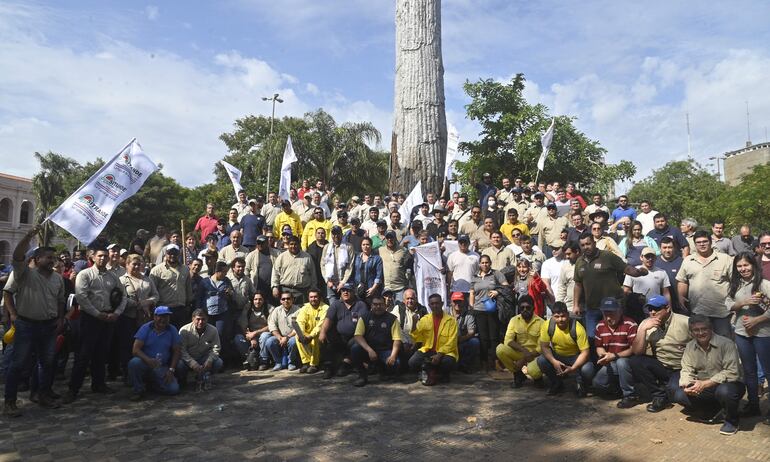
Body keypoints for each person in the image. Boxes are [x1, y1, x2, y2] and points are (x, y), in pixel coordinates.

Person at [2, 226, 65, 416]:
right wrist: (28, 236)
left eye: (53, 258)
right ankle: (10, 402)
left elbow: (60, 300)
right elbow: (18, 255)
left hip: (48, 327)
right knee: (18, 364)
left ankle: (42, 395)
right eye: (48, 258)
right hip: (26, 325)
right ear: (37, 260)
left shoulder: (58, 279)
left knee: (47, 362)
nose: (52, 261)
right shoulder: (24, 273)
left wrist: (60, 318)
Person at [63, 245, 127, 404]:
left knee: (102, 352)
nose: (103, 258)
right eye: (100, 256)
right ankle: (73, 389)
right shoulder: (85, 275)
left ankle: (99, 384)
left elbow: (123, 295)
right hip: (90, 319)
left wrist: (117, 313)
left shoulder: (112, 276)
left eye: (105, 256)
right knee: (83, 355)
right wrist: (97, 314)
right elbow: (82, 297)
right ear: (92, 257)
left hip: (109, 318)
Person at [673, 315, 745, 435]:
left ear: (711, 329)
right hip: (705, 386)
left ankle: (732, 420)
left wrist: (705, 384)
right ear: (691, 332)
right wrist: (686, 385)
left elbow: (732, 372)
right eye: (696, 330)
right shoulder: (690, 346)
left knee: (725, 392)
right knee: (679, 394)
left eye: (704, 329)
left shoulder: (726, 344)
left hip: (730, 384)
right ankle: (714, 410)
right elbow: (686, 369)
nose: (700, 333)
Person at [574, 232, 648, 343]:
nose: (586, 247)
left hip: (613, 306)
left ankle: (616, 359)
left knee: (615, 338)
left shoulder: (607, 256)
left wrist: (638, 272)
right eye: (583, 245)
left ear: (594, 243)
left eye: (588, 244)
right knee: (592, 338)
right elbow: (578, 284)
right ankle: (597, 359)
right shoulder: (579, 262)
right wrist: (576, 305)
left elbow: (626, 268)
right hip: (592, 308)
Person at [725, 252, 770, 421]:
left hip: (764, 333)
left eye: (746, 265)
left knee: (768, 371)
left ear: (753, 265)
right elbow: (728, 304)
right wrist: (742, 303)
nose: (743, 269)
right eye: (739, 266)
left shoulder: (764, 285)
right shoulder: (734, 285)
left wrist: (757, 319)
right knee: (749, 372)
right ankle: (753, 405)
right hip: (742, 333)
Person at [629, 295, 692, 412]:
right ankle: (659, 395)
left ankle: (670, 389)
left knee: (676, 394)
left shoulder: (685, 322)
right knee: (635, 361)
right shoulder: (646, 324)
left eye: (656, 309)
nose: (652, 312)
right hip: (661, 365)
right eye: (650, 309)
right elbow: (637, 351)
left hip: (681, 367)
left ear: (667, 308)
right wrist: (642, 330)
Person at [677, 230, 733, 337]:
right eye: (698, 242)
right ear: (694, 244)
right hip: (698, 312)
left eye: (705, 241)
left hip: (721, 313)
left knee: (724, 344)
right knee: (700, 343)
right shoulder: (688, 260)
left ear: (711, 242)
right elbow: (682, 281)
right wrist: (681, 297)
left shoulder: (725, 259)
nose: (702, 244)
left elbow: (735, 281)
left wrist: (734, 304)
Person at [117, 254, 159, 384]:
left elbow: (156, 295)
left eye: (138, 264)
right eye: (133, 264)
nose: (136, 266)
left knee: (145, 345)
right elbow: (120, 298)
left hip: (145, 319)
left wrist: (148, 302)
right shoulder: (121, 280)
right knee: (128, 346)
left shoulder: (147, 280)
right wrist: (137, 304)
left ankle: (145, 373)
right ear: (127, 265)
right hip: (128, 318)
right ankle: (128, 374)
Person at [536, 302, 593, 397]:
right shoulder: (547, 325)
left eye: (563, 316)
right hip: (558, 355)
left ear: (568, 314)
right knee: (541, 360)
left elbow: (585, 352)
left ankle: (582, 384)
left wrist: (573, 368)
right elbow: (544, 346)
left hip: (575, 356)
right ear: (553, 316)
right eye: (557, 317)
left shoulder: (577, 327)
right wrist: (554, 361)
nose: (560, 319)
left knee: (588, 369)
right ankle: (556, 383)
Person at [126, 306, 181, 400]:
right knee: (134, 363)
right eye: (161, 316)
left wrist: (171, 370)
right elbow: (135, 350)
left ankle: (151, 385)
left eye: (166, 317)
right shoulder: (146, 328)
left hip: (161, 366)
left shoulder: (172, 329)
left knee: (174, 390)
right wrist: (148, 360)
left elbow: (177, 351)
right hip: (145, 364)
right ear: (155, 317)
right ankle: (138, 390)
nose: (163, 319)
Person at [592, 297, 639, 408]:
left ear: (620, 311)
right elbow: (598, 346)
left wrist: (614, 356)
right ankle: (617, 389)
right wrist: (602, 355)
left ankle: (630, 395)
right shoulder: (600, 326)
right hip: (611, 361)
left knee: (621, 362)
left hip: (629, 361)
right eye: (605, 314)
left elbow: (634, 349)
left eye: (612, 313)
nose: (608, 317)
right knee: (598, 383)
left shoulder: (630, 324)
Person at [319, 283, 370, 378]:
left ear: (354, 292)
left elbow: (364, 323)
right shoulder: (336, 304)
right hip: (340, 337)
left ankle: (346, 364)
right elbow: (328, 320)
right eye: (343, 290)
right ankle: (328, 367)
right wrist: (322, 332)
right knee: (325, 337)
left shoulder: (361, 304)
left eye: (348, 290)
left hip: (356, 336)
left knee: (357, 342)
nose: (345, 292)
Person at [350, 296, 402, 386]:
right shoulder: (364, 317)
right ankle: (362, 376)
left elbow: (397, 340)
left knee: (396, 363)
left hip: (385, 350)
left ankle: (383, 371)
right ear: (371, 305)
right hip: (369, 350)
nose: (378, 307)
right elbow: (358, 336)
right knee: (355, 349)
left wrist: (393, 356)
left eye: (380, 304)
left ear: (385, 305)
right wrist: (369, 350)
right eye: (375, 304)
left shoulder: (392, 319)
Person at [408, 294, 459, 385]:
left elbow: (452, 342)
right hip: (428, 350)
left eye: (437, 303)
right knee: (412, 362)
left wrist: (439, 355)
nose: (435, 306)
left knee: (447, 362)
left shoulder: (451, 321)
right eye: (432, 304)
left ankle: (440, 374)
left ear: (442, 303)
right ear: (429, 305)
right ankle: (430, 372)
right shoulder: (425, 320)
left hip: (445, 352)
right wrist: (414, 323)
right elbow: (416, 337)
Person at [496, 295, 544, 388]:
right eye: (522, 308)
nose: (525, 310)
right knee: (500, 349)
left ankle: (538, 378)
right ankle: (518, 375)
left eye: (528, 307)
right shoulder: (514, 320)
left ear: (533, 308)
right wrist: (524, 351)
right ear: (519, 309)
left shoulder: (541, 322)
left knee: (533, 371)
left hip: (535, 355)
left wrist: (524, 359)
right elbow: (508, 341)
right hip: (520, 352)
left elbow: (541, 347)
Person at [469, 255, 506, 370]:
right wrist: (472, 307)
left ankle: (495, 361)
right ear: (479, 264)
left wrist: (497, 291)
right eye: (482, 263)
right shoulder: (475, 276)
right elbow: (472, 293)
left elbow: (506, 287)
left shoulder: (496, 274)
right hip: (479, 310)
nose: (485, 265)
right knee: (483, 338)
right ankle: (484, 362)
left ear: (490, 263)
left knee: (494, 337)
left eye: (487, 262)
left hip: (492, 310)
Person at [149, 244, 194, 331]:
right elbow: (151, 290)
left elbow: (188, 288)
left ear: (179, 254)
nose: (172, 256)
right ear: (166, 254)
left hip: (181, 309)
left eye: (175, 253)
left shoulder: (185, 269)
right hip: (163, 309)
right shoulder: (156, 270)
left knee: (180, 335)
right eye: (170, 253)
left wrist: (189, 304)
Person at [177, 309, 223, 390]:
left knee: (218, 362)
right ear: (193, 319)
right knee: (179, 365)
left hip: (203, 358)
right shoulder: (184, 330)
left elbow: (216, 348)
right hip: (188, 358)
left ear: (207, 319)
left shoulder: (213, 330)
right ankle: (182, 380)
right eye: (198, 319)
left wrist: (210, 360)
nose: (201, 322)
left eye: (203, 319)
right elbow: (181, 350)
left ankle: (205, 376)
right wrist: (192, 363)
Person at [271, 236, 316, 306]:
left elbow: (313, 275)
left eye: (295, 244)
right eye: (291, 244)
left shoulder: (307, 257)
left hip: (302, 292)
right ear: (288, 245)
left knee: (301, 314)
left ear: (299, 244)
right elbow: (275, 273)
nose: (293, 246)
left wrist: (313, 290)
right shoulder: (281, 257)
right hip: (285, 291)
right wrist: (275, 287)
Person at [263, 291, 300, 371]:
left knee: (294, 341)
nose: (286, 300)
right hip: (280, 337)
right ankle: (278, 362)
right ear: (280, 301)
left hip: (292, 336)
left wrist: (287, 337)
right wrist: (280, 337)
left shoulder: (298, 310)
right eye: (283, 299)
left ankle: (291, 362)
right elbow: (272, 326)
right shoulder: (276, 310)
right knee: (269, 341)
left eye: (288, 298)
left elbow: (298, 327)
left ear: (292, 299)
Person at [295, 288, 329, 373]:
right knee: (297, 337)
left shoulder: (325, 308)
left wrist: (310, 336)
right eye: (311, 297)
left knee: (315, 337)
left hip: (321, 334)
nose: (313, 299)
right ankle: (306, 362)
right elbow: (300, 321)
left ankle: (314, 364)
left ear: (320, 298)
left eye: (315, 297)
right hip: (307, 333)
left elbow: (320, 325)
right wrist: (301, 334)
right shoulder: (305, 307)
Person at [235, 292, 271, 370]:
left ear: (264, 300)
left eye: (260, 299)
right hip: (250, 335)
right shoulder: (248, 308)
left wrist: (255, 333)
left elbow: (271, 326)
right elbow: (243, 325)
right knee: (238, 338)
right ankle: (249, 359)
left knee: (265, 336)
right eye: (255, 299)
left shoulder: (269, 308)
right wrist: (251, 337)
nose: (258, 301)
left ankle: (263, 361)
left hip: (263, 334)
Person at [321, 226, 355, 302]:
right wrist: (327, 280)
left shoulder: (348, 247)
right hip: (331, 283)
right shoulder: (327, 247)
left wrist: (343, 282)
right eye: (334, 234)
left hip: (345, 283)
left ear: (342, 234)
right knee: (333, 307)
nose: (336, 236)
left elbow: (350, 266)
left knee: (345, 306)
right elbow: (323, 265)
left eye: (338, 234)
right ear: (331, 235)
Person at [450, 292, 479, 373]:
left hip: (461, 340)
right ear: (451, 302)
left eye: (460, 301)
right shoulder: (445, 312)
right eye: (455, 301)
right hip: (447, 342)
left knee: (475, 342)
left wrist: (460, 340)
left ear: (464, 302)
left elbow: (471, 332)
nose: (457, 304)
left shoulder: (469, 314)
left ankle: (464, 365)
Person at [656, 237, 685, 313]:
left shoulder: (681, 262)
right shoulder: (654, 262)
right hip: (660, 303)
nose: (667, 250)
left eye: (670, 247)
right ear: (660, 248)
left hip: (679, 302)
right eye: (664, 247)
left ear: (674, 248)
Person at [379, 231, 409, 302]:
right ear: (385, 239)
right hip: (386, 287)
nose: (389, 239)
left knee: (400, 309)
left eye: (391, 237)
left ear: (395, 238)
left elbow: (408, 265)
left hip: (400, 287)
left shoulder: (403, 250)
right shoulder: (380, 250)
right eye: (387, 238)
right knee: (387, 310)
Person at [555, 241, 580, 310]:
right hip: (570, 307)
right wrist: (558, 305)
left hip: (586, 307)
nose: (567, 257)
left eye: (569, 254)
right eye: (565, 254)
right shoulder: (565, 265)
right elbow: (561, 287)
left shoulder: (586, 263)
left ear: (577, 252)